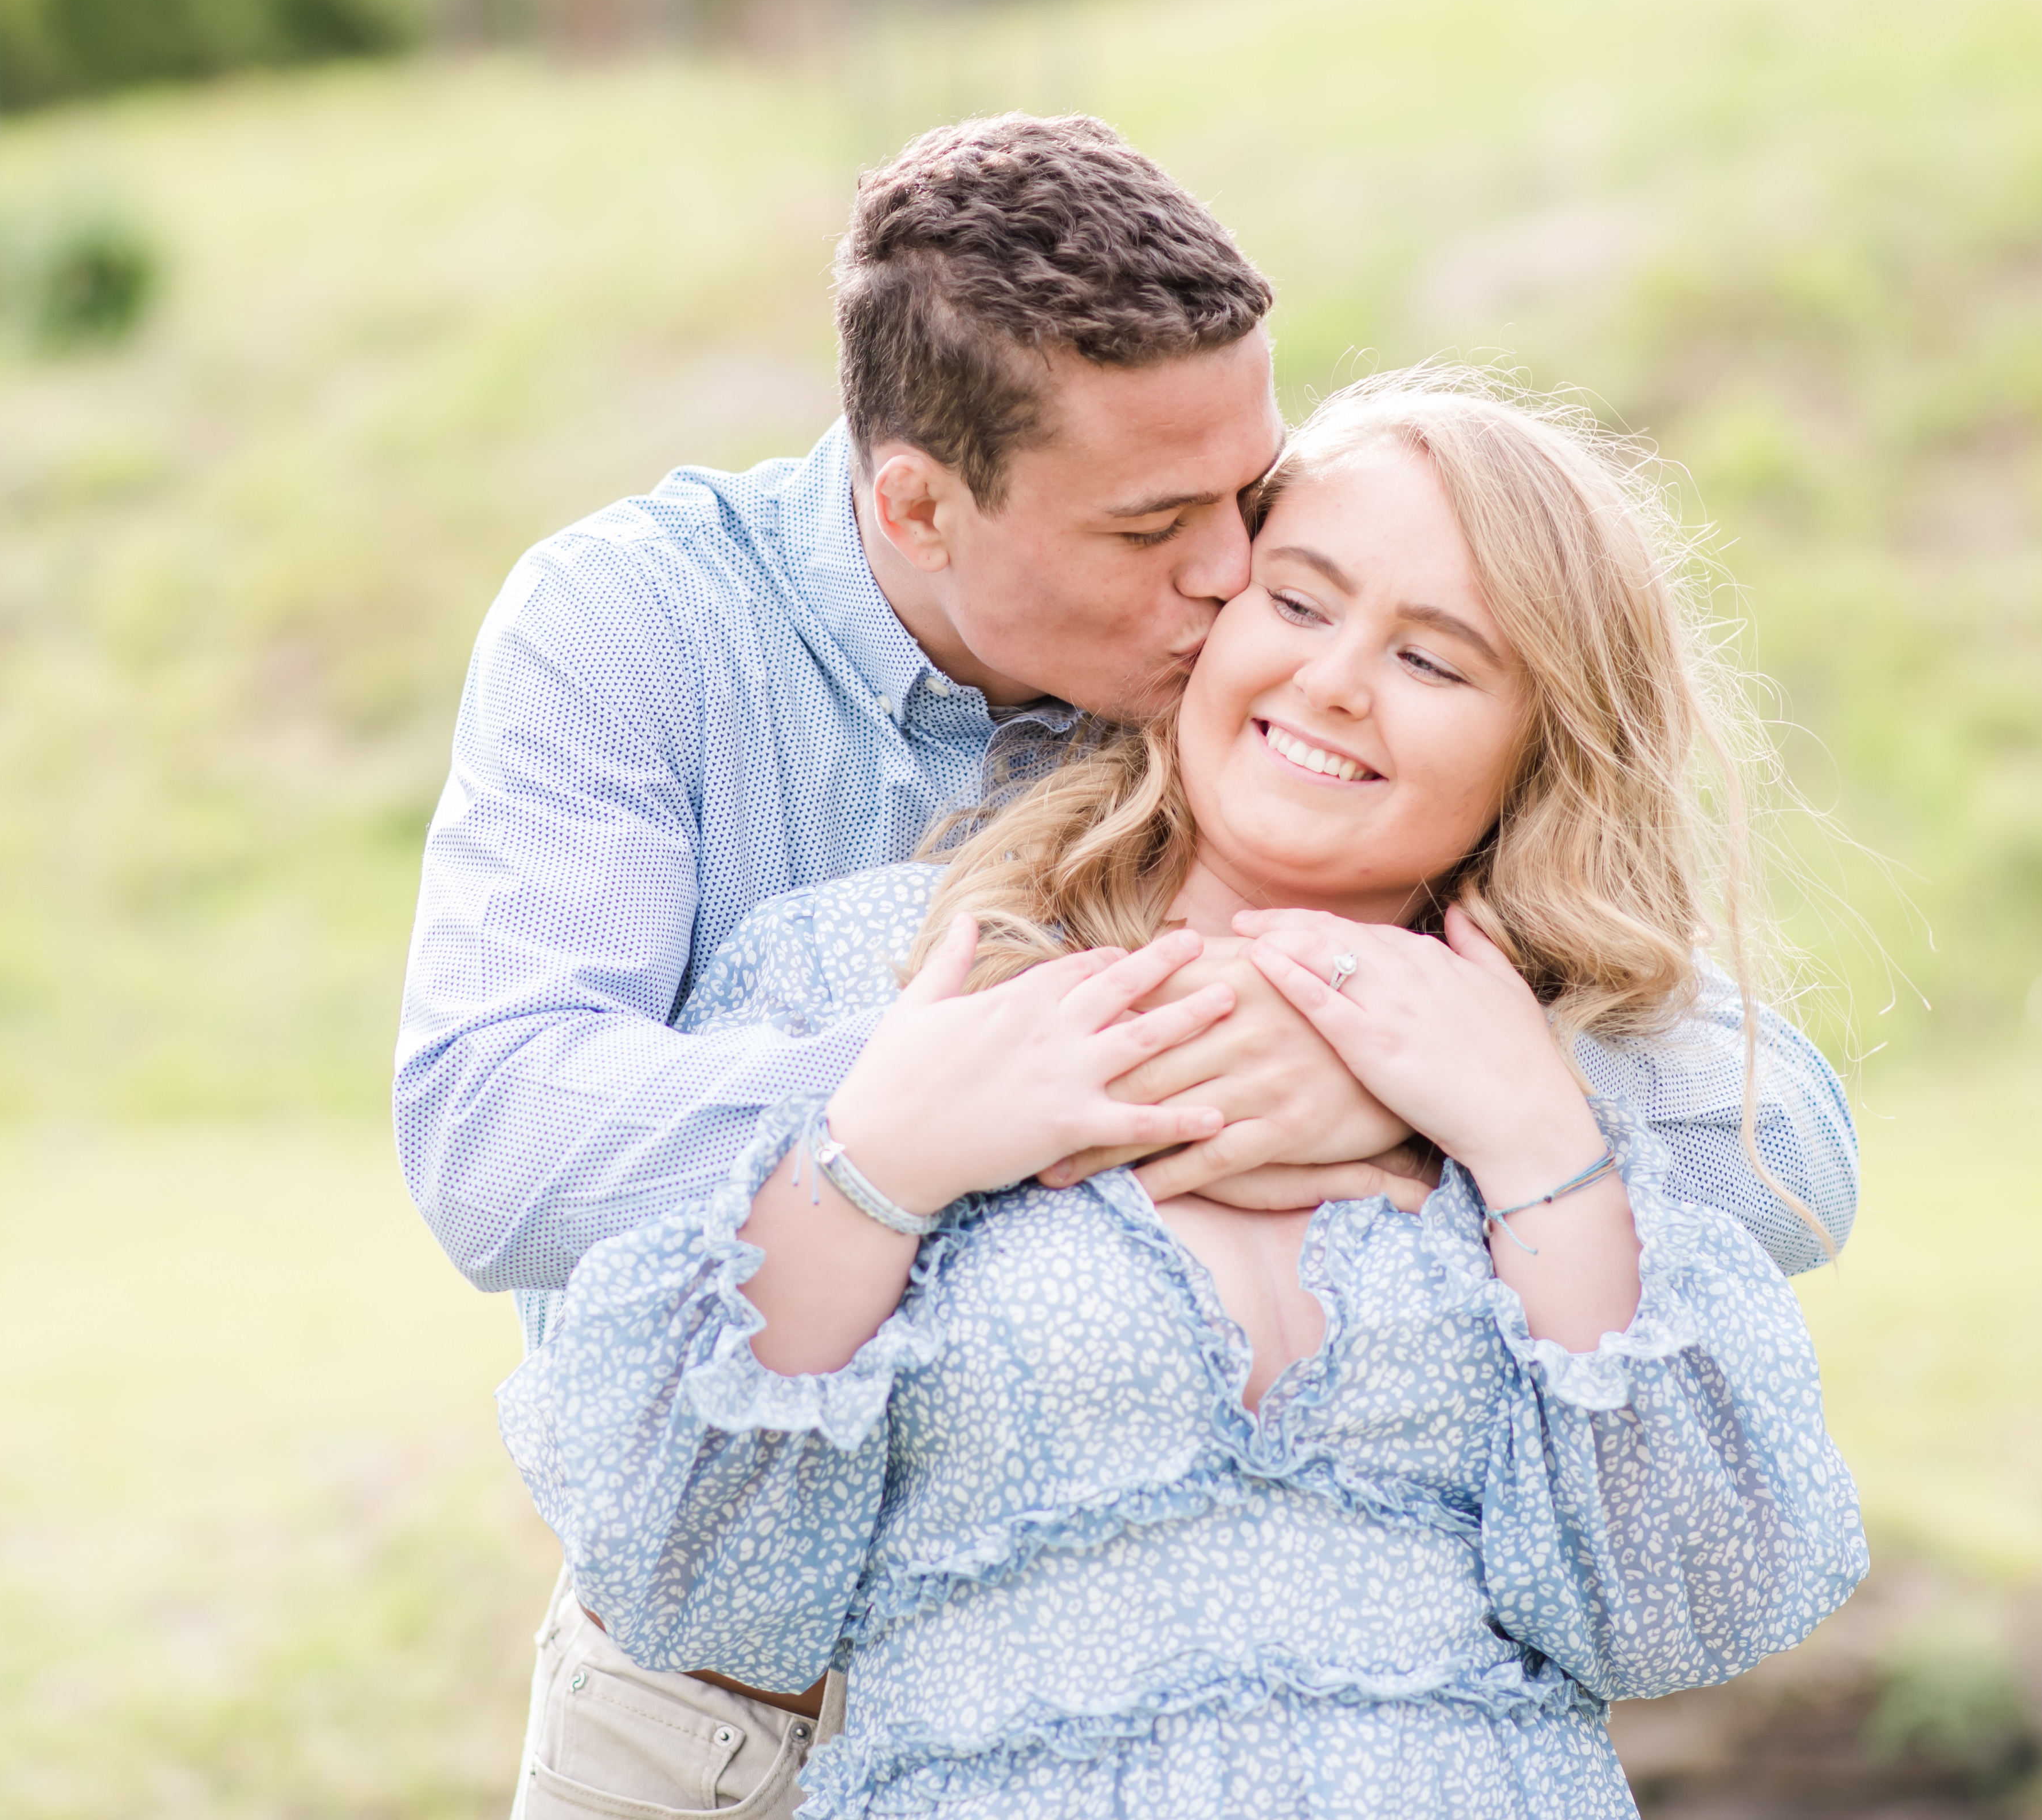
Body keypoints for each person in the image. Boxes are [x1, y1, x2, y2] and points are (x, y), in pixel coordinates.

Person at [501, 371, 1865, 1819]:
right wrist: (879, 1163)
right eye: (1297, 601)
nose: (1333, 681)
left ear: (1544, 745)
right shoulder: (885, 971)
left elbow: (1669, 1604)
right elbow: (692, 1576)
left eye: (1432, 660)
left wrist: (1527, 1135)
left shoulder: (1564, 1063)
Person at [401, 115, 1443, 1809]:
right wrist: (958, 1097)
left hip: (1112, 1723)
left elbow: (1766, 1140)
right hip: (717, 1716)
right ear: (917, 504)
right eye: (1151, 525)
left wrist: (1383, 1072)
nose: (1233, 571)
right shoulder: (632, 628)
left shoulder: (1271, 664)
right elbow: (496, 1138)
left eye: (1248, 493)